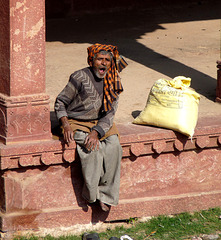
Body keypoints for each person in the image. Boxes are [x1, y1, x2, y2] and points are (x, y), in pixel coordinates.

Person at [54, 43, 128, 211]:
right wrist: (65, 124)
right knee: (92, 148)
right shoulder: (79, 77)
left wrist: (96, 131)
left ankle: (107, 196)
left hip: (100, 123)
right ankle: (91, 195)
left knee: (114, 147)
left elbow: (110, 114)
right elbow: (60, 102)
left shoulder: (114, 82)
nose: (104, 63)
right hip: (76, 121)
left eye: (107, 60)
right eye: (100, 59)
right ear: (91, 61)